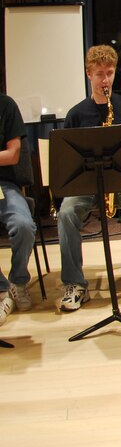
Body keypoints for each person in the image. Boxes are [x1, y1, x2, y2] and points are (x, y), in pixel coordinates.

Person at [56, 45, 121, 311]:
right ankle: (75, 283)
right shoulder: (76, 114)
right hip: (87, 181)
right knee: (67, 212)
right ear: (88, 75)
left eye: (110, 73)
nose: (105, 80)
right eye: (99, 74)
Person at [0, 93, 36, 323]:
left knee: (23, 225)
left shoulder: (5, 105)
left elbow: (13, 155)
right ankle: (1, 289)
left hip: (4, 183)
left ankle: (18, 281)